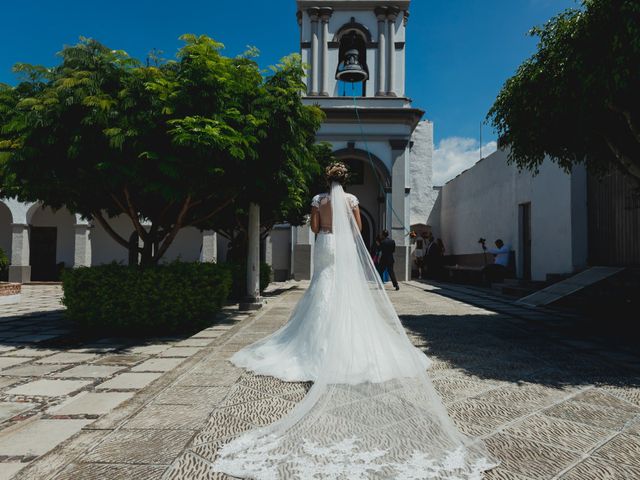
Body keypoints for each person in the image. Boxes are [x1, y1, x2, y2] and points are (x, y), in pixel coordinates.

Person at [212, 162, 498, 479]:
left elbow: (316, 226)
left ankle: (315, 343)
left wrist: (327, 231)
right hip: (343, 246)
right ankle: (347, 341)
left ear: (326, 179)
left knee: (322, 286)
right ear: (345, 180)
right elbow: (359, 229)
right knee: (346, 291)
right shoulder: (351, 200)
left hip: (324, 245)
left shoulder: (318, 200)